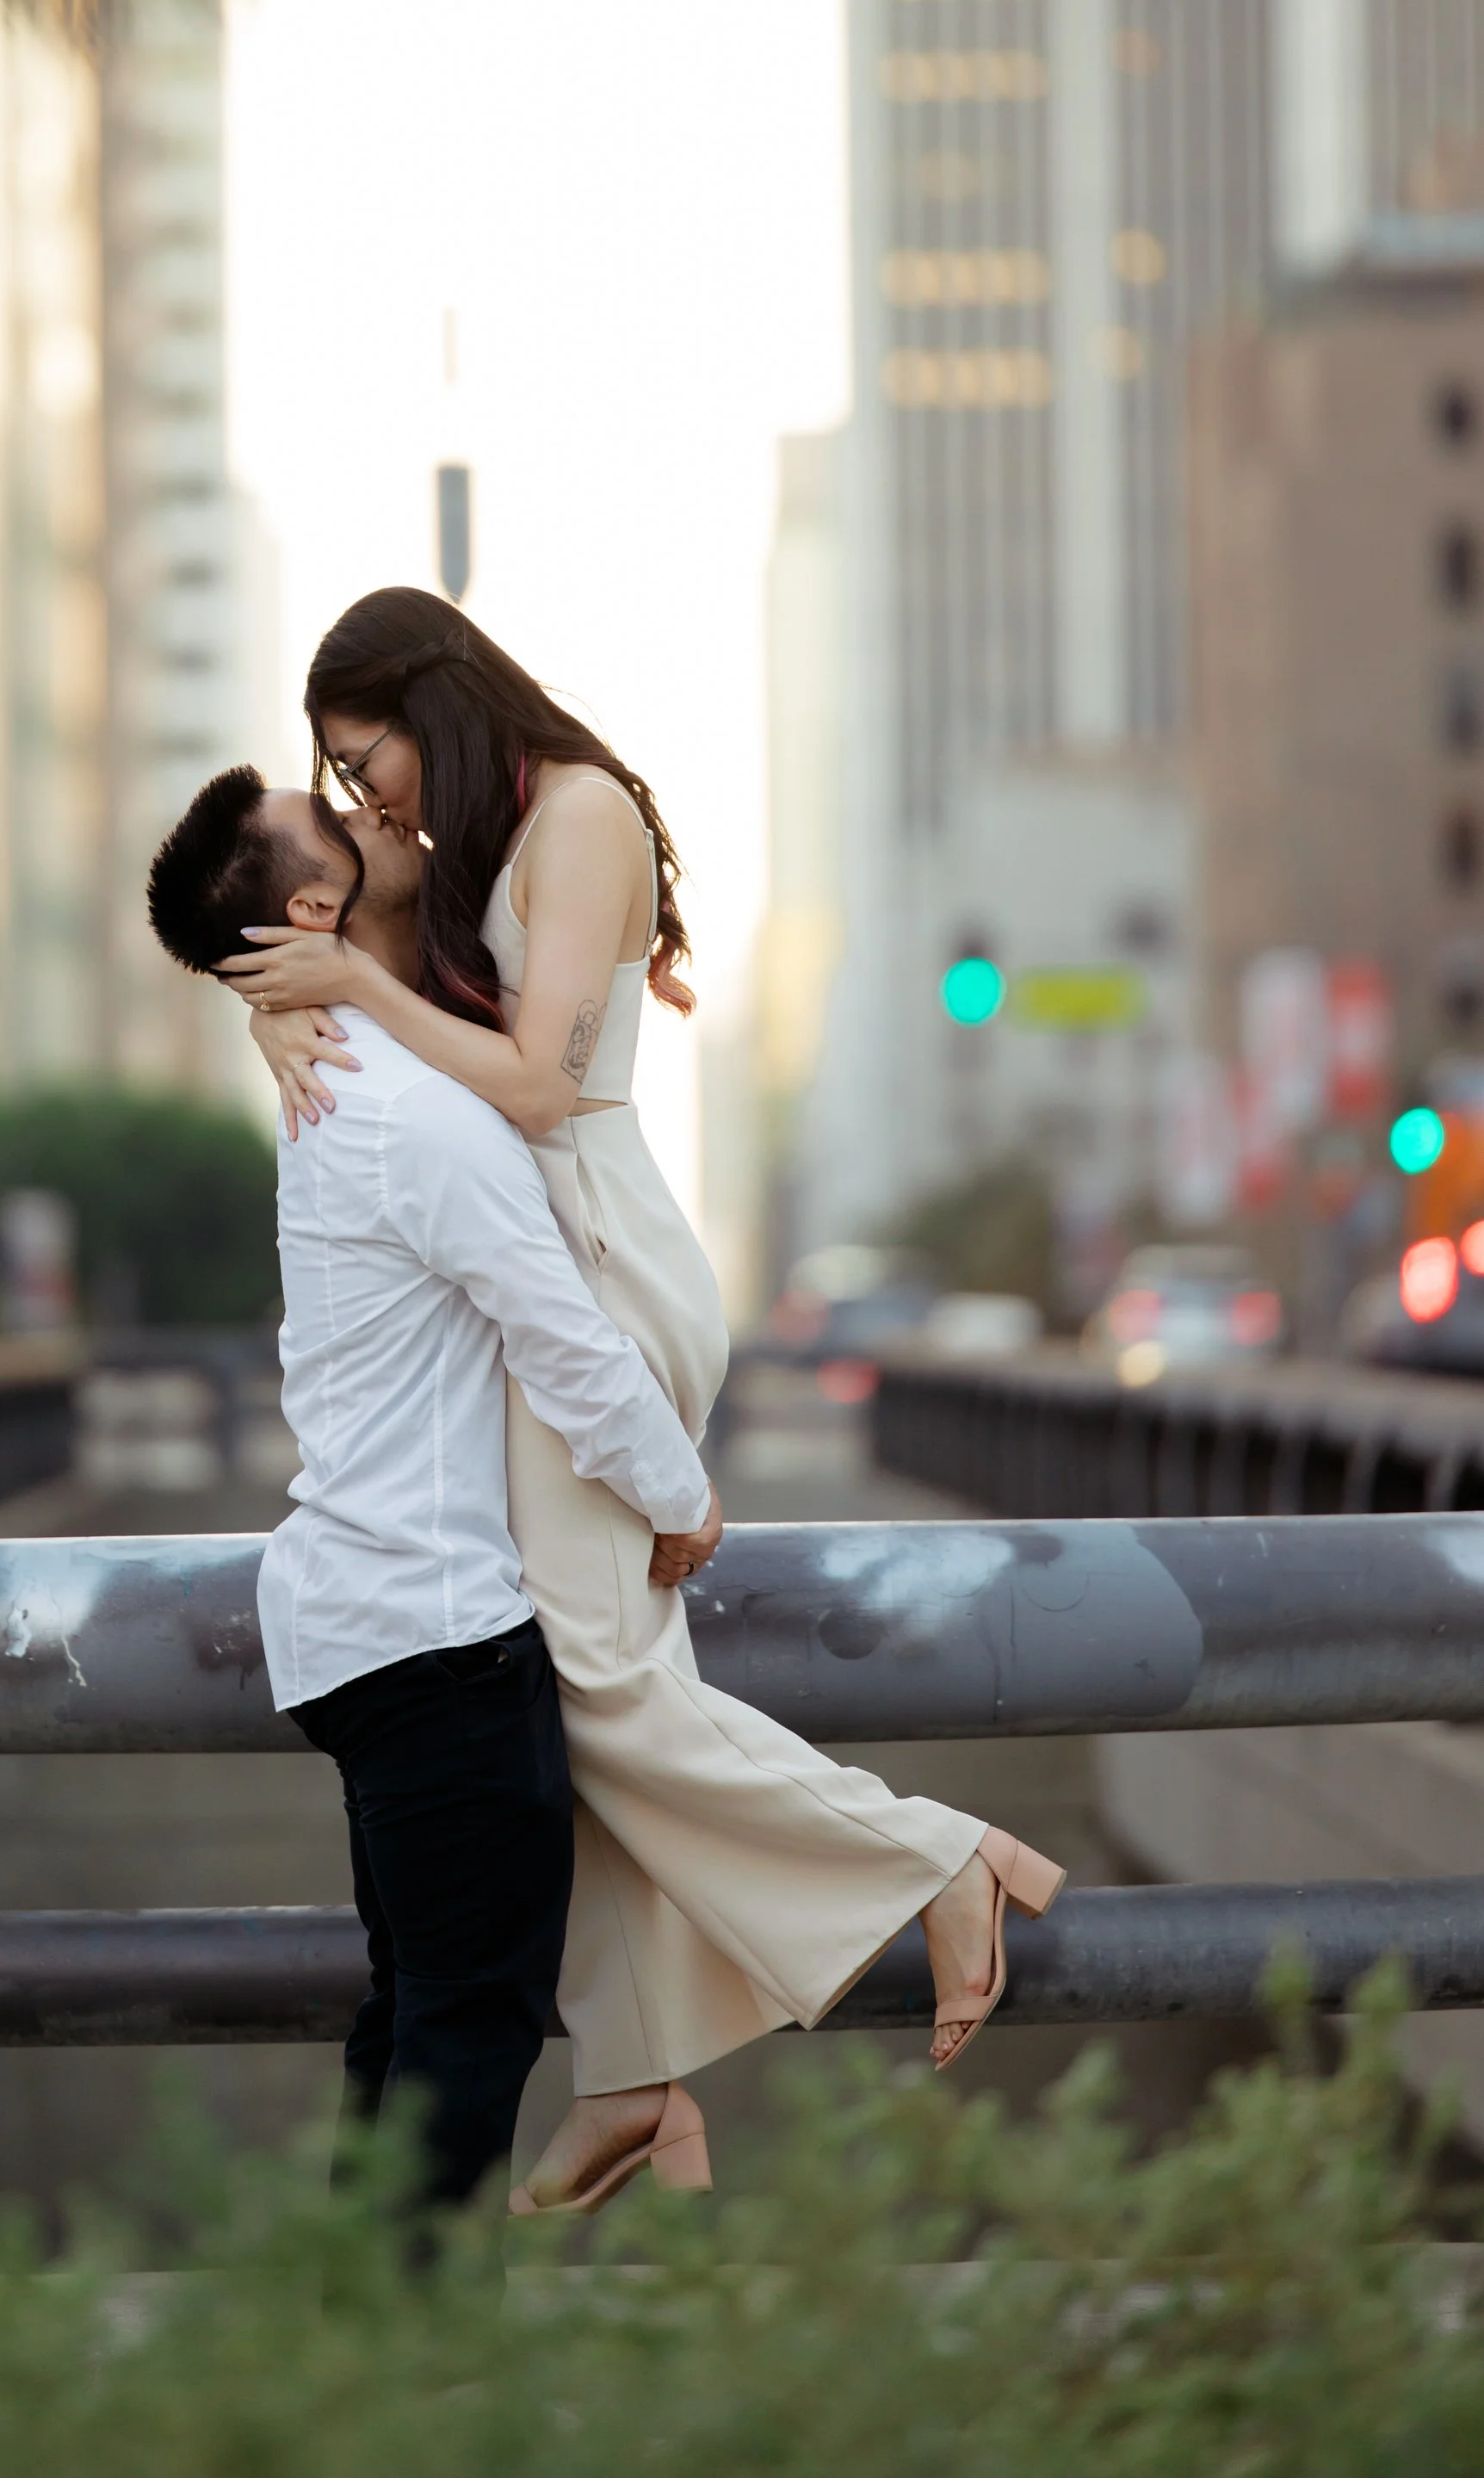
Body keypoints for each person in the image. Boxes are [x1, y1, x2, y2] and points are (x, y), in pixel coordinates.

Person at [219, 588, 1064, 2209]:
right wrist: (285, 1009)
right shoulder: (468, 843)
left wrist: (354, 990)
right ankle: (634, 2074)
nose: (358, 799)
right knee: (562, 1684)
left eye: (363, 756)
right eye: (332, 779)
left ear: (432, 698)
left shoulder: (582, 809)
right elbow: (304, 925)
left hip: (597, 1261)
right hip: (548, 1247)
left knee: (597, 1686)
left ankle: (938, 1859)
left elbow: (535, 1080)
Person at [146, 769, 721, 2211]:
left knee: (413, 2008)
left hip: (359, 1618)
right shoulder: (413, 1114)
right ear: (312, 907)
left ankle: (370, 2348)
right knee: (467, 2021)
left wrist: (275, 995)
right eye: (330, 816)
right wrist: (681, 1496)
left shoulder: (339, 1079)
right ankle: (417, 2363)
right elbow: (568, 1343)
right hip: (434, 1629)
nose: (365, 813)